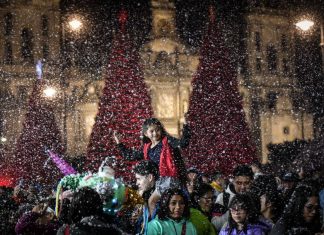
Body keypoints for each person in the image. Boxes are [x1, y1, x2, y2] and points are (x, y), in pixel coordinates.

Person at [114, 116, 190, 215]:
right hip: (156, 181)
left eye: (158, 130)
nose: (155, 133)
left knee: (152, 201)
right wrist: (119, 143)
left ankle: (154, 224)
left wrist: (185, 126)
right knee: (141, 197)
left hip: (168, 180)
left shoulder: (167, 142)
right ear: (146, 133)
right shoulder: (147, 148)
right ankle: (142, 220)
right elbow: (130, 156)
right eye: (152, 131)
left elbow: (183, 143)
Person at [56, 187, 125, 235]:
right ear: (99, 205)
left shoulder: (66, 231)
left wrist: (65, 203)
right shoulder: (115, 231)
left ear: (75, 207)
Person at [212, 165, 254, 231]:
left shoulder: (255, 198)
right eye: (239, 183)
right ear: (233, 181)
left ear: (252, 182)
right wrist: (233, 210)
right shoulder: (223, 198)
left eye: (246, 183)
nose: (243, 187)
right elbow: (215, 225)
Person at [132, 160, 159, 235]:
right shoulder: (144, 194)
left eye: (139, 179)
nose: (137, 183)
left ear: (150, 177)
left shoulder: (163, 199)